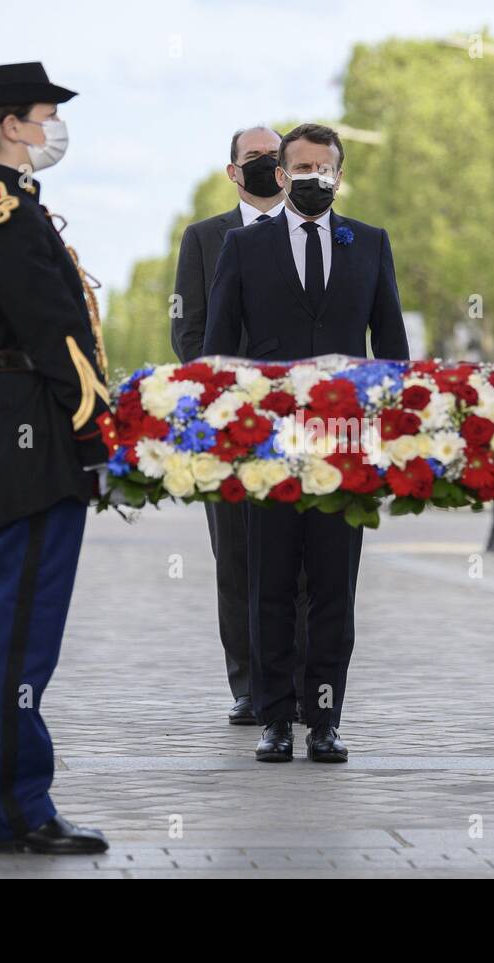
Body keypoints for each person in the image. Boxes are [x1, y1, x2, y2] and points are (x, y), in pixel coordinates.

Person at [203, 123, 409, 763]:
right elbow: (217, 350)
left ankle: (324, 720)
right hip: (267, 447)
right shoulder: (244, 247)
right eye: (303, 167)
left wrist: (391, 429)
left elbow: (392, 348)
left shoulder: (369, 244)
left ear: (340, 176)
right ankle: (274, 720)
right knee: (268, 585)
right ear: (282, 176)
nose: (316, 176)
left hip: (345, 445)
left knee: (332, 588)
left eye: (327, 167)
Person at [0, 61, 113, 854]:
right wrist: (93, 433)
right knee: (20, 632)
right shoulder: (7, 213)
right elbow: (56, 336)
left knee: (18, 628)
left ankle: (17, 801)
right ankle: (17, 809)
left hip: (29, 425)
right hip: (34, 431)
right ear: (11, 124)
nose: (55, 127)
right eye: (47, 113)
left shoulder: (15, 207)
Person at [171, 125, 308, 727]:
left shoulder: (312, 234)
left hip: (302, 427)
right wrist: (230, 395)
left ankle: (303, 685)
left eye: (274, 158)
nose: (266, 166)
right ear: (232, 171)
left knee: (303, 561)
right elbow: (187, 331)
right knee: (236, 557)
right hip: (228, 426)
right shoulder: (203, 239)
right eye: (253, 158)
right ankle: (250, 684)